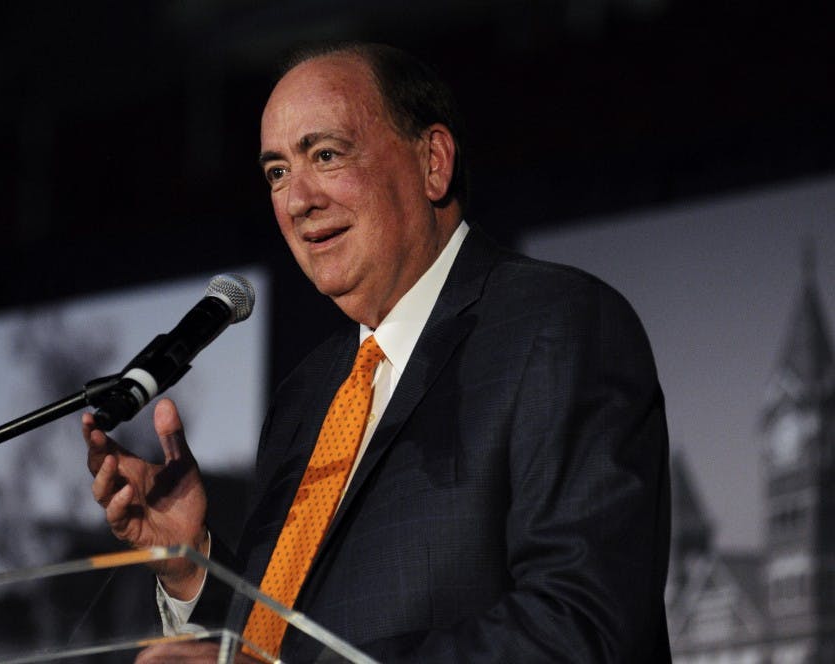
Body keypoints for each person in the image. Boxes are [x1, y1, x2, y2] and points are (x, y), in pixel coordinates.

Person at [84, 42, 672, 663]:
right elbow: (279, 644)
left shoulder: (557, 324)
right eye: (277, 172)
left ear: (433, 162)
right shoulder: (306, 397)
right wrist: (192, 566)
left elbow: (582, 626)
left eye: (326, 155)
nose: (296, 200)